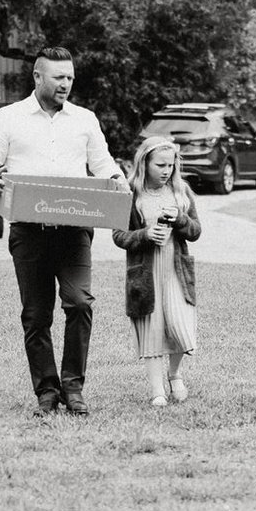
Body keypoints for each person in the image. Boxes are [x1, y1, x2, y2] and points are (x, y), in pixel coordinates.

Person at [0, 47, 123, 415]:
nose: (66, 84)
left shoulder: (85, 119)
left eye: (70, 77)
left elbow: (102, 163)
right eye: (59, 77)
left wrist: (117, 179)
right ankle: (46, 391)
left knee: (80, 303)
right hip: (28, 230)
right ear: (38, 77)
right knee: (36, 315)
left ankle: (73, 387)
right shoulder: (8, 118)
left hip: (75, 229)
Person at [113, 138, 201, 406]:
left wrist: (180, 220)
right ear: (145, 163)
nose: (166, 171)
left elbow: (196, 231)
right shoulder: (131, 193)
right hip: (145, 273)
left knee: (181, 326)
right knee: (151, 329)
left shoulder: (181, 191)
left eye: (170, 166)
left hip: (176, 270)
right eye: (160, 165)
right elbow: (118, 235)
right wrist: (146, 234)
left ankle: (174, 374)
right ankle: (157, 390)